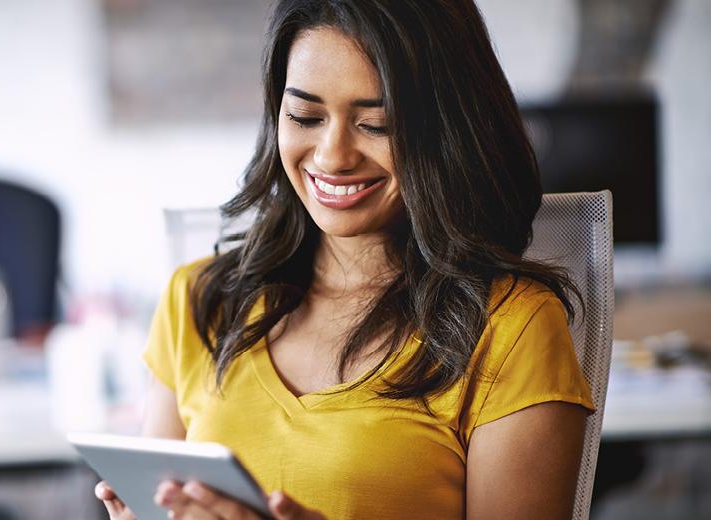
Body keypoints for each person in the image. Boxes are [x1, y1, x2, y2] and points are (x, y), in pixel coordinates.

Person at [97, 0, 595, 518]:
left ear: (449, 131)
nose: (333, 156)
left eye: (376, 123)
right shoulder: (199, 300)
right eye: (305, 116)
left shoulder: (513, 327)